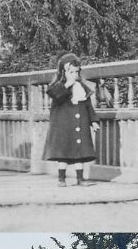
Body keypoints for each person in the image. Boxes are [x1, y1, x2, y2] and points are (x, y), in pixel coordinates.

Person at [43, 53, 100, 187]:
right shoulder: (57, 87)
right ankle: (61, 178)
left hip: (80, 124)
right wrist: (67, 84)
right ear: (63, 72)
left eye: (76, 71)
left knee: (79, 153)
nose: (74, 74)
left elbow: (88, 106)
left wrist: (94, 121)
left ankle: (80, 178)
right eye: (70, 72)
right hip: (64, 126)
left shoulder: (82, 87)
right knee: (64, 153)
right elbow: (57, 96)